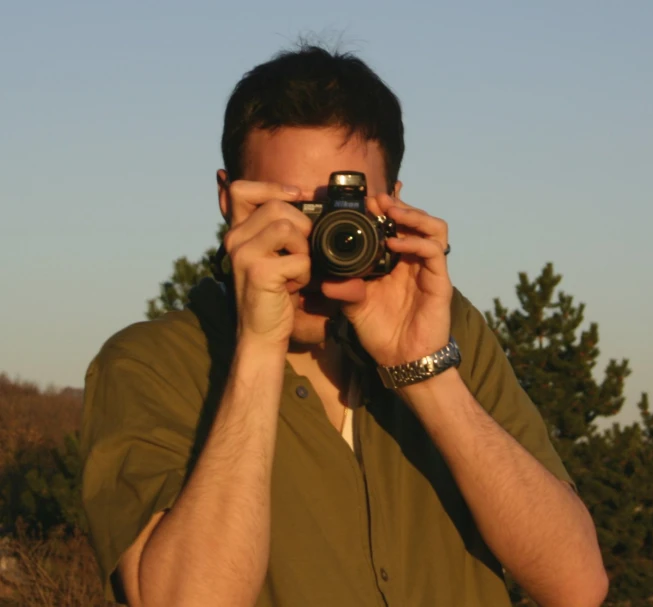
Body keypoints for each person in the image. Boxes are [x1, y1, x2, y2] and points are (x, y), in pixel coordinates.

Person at [80, 44, 608, 607]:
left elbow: (577, 585)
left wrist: (424, 373)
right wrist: (259, 345)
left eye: (342, 213)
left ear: (393, 203)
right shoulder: (150, 365)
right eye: (289, 211)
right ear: (228, 198)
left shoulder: (449, 331)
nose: (316, 243)